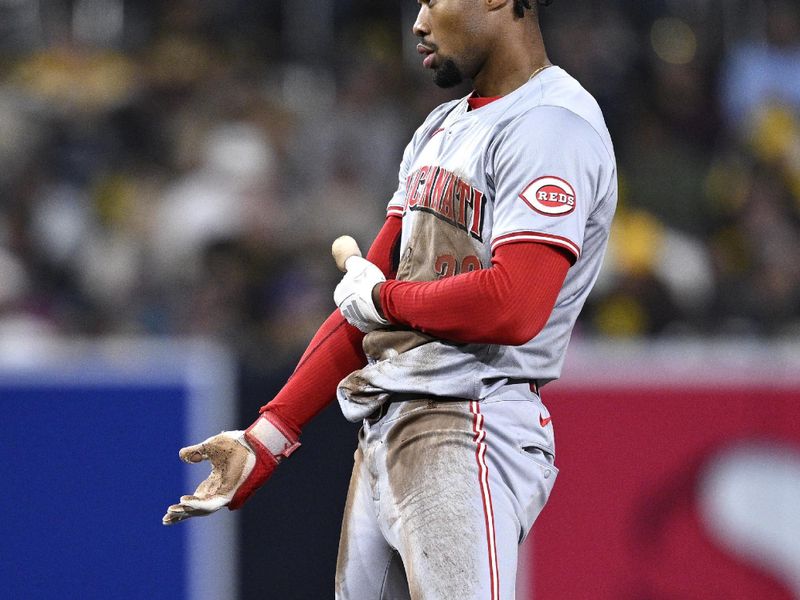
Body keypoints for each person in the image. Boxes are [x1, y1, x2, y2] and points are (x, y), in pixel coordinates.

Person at [163, 1, 617, 598]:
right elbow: (362, 304)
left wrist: (386, 297)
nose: (419, 22)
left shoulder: (552, 124)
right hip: (389, 423)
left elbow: (515, 304)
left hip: (468, 418)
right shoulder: (441, 126)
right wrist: (269, 434)